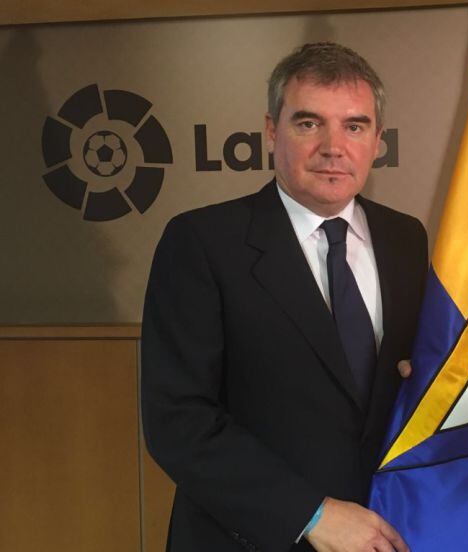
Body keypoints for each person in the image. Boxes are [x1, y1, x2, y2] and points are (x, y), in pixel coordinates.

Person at [141, 42, 427, 552]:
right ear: (272, 131)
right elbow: (177, 421)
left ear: (379, 140)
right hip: (251, 539)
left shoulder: (407, 239)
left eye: (354, 126)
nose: (334, 147)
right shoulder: (202, 242)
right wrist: (310, 515)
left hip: (385, 533)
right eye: (309, 123)